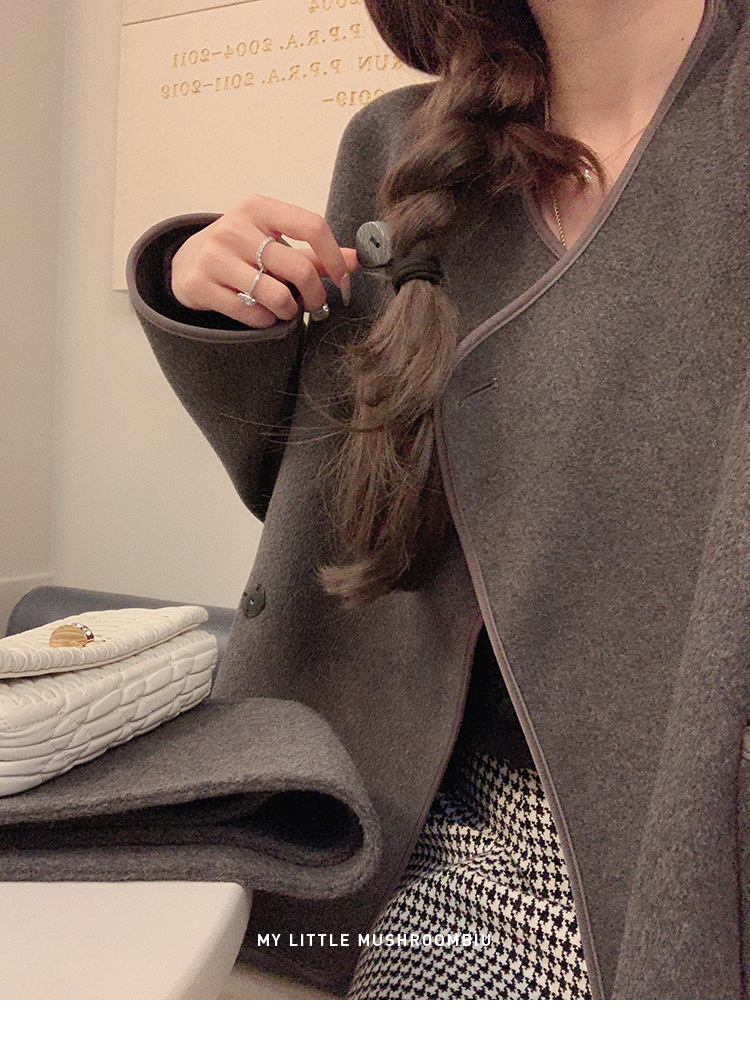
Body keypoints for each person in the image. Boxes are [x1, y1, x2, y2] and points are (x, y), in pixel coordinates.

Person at [127, 0, 750, 998]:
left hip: (676, 843)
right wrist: (217, 294)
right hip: (399, 826)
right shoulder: (401, 148)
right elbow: (336, 503)